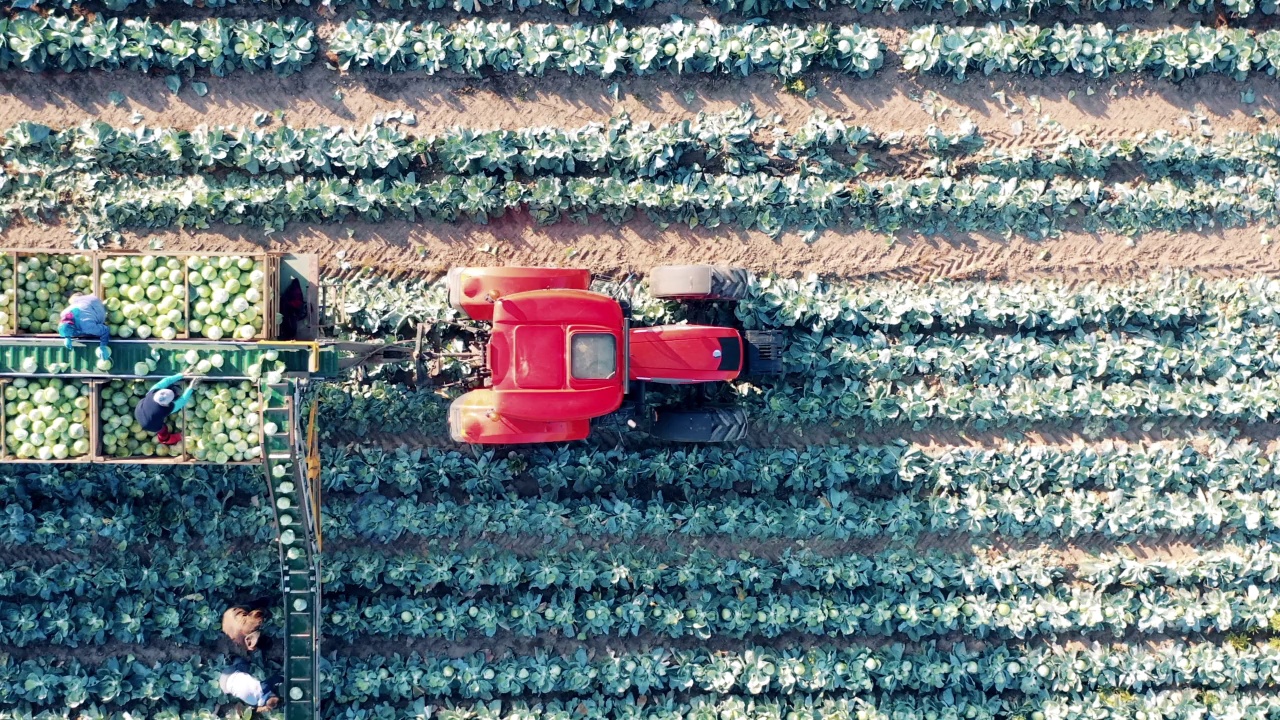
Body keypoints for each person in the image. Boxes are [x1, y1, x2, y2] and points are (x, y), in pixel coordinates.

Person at [134, 374, 200, 445]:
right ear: (166, 405)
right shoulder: (164, 410)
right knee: (163, 428)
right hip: (148, 424)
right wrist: (191, 388)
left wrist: (181, 375)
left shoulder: (153, 391)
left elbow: (166, 380)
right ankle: (166, 439)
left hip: (138, 410)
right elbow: (182, 401)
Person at [57, 294, 111, 361]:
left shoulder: (87, 326)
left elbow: (105, 330)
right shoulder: (63, 313)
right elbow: (66, 325)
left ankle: (102, 312)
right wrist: (67, 337)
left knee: (89, 330)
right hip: (88, 298)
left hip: (97, 306)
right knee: (72, 300)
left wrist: (103, 346)